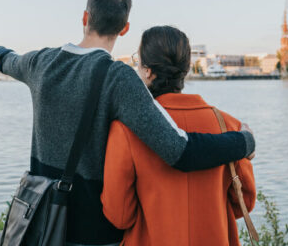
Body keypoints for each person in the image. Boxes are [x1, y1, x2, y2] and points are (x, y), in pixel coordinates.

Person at [0, 0, 255, 246]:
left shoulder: (40, 62)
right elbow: (180, 151)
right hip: (93, 233)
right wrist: (244, 142)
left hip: (41, 222)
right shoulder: (118, 78)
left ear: (85, 17)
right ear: (125, 28)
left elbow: (7, 59)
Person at [101, 25, 256, 246]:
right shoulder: (231, 127)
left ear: (148, 71)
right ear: (187, 68)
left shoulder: (126, 129)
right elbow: (244, 203)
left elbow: (120, 215)